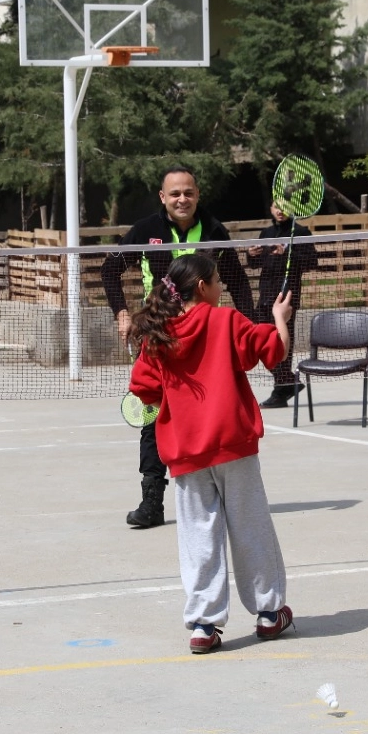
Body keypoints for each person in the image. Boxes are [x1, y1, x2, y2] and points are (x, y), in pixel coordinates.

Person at [128, 254, 295, 654]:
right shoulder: (228, 322)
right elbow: (275, 352)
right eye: (218, 280)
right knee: (251, 527)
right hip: (233, 445)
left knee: (198, 536)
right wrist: (281, 318)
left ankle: (204, 625)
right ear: (202, 286)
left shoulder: (158, 335)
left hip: (185, 452)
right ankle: (269, 614)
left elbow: (143, 389)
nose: (221, 287)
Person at [101, 166, 256, 530]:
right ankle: (152, 499)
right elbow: (109, 271)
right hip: (159, 339)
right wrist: (122, 313)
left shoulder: (216, 231)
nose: (182, 199)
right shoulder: (145, 231)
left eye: (188, 192)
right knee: (152, 419)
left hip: (206, 343)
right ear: (163, 198)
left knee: (213, 413)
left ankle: (218, 494)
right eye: (175, 194)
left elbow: (237, 282)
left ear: (197, 195)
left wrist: (250, 327)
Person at [247, 198, 320, 408]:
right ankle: (287, 381)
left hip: (286, 296)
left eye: (285, 207)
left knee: (281, 341)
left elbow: (311, 262)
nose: (280, 211)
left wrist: (287, 252)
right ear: (270, 208)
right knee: (259, 340)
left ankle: (281, 390)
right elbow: (256, 264)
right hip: (265, 294)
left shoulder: (301, 232)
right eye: (276, 206)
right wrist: (251, 255)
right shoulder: (266, 233)